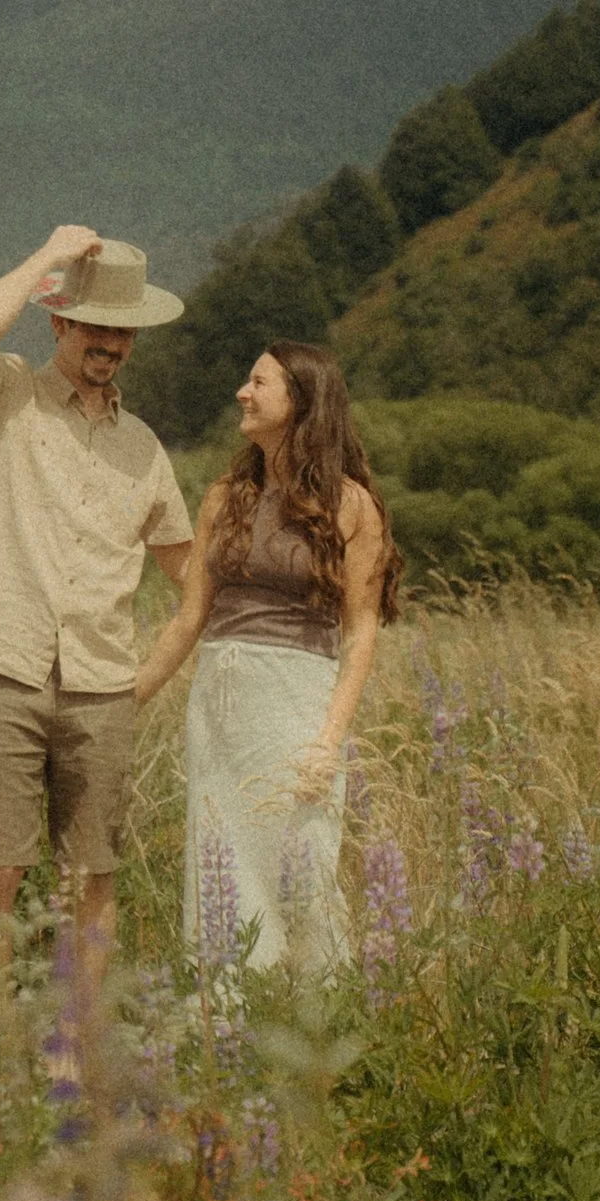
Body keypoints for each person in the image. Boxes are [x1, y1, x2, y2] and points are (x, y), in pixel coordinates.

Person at [0, 225, 194, 956]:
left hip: (102, 686)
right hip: (3, 667)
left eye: (125, 332)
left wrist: (142, 683)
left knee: (92, 882)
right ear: (60, 321)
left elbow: (191, 581)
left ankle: (81, 1049)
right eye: (97, 327)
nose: (111, 344)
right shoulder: (7, 394)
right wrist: (48, 255)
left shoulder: (143, 447)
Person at [132, 340, 401, 974]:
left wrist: (328, 741)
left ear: (300, 401)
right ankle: (227, 1024)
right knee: (219, 863)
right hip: (219, 704)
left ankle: (319, 1034)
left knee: (302, 869)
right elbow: (189, 619)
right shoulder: (226, 496)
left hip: (296, 701)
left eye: (258, 383)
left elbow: (361, 632)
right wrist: (125, 700)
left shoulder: (352, 505)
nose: (241, 394)